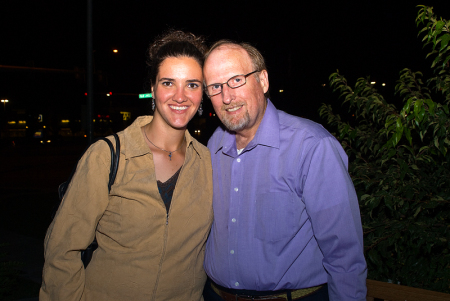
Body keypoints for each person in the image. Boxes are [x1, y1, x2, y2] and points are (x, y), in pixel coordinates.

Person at [40, 30, 213, 301]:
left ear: (202, 93)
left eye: (192, 84)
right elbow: (63, 251)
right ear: (153, 89)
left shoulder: (208, 163)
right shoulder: (108, 156)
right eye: (168, 83)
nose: (180, 96)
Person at [202, 40, 367, 301]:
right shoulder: (214, 146)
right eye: (215, 86)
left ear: (263, 80)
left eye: (236, 80)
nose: (226, 97)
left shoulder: (312, 147)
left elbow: (344, 255)